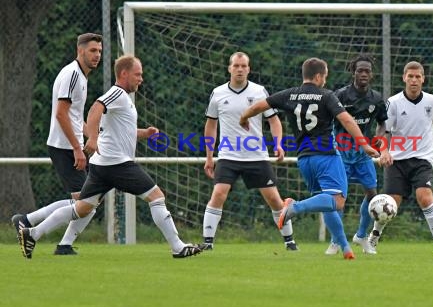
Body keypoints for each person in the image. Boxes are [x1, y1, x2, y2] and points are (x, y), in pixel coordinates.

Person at [18, 54, 202, 259]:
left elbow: (120, 131)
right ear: (124, 74)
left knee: (82, 208)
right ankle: (178, 247)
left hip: (101, 165)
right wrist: (93, 138)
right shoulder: (117, 93)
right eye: (138, 74)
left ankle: (32, 233)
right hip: (117, 164)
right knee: (156, 197)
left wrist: (145, 134)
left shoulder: (124, 100)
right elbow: (95, 108)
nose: (141, 79)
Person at [239, 57, 380, 260]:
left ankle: (345, 248)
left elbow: (258, 107)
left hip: (304, 160)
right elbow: (346, 119)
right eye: (325, 76)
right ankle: (294, 207)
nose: (325, 80)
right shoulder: (326, 96)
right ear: (318, 76)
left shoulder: (289, 95)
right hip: (326, 156)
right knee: (337, 200)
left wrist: (243, 118)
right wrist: (364, 144)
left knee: (324, 202)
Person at [12, 33, 103, 255]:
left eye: (99, 51)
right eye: (93, 51)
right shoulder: (72, 75)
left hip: (69, 146)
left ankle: (29, 221)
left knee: (89, 201)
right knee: (86, 204)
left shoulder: (80, 76)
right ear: (80, 50)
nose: (97, 55)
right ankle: (35, 233)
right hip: (64, 148)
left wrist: (92, 137)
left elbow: (73, 116)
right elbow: (61, 115)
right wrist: (76, 148)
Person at [202, 52, 298, 251]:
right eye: (236, 65)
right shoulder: (218, 93)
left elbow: (274, 120)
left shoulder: (259, 91)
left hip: (256, 156)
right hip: (228, 155)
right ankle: (207, 243)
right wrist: (209, 157)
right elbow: (211, 125)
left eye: (243, 66)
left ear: (249, 69)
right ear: (229, 68)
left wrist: (278, 144)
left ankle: (290, 241)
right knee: (219, 194)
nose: (239, 69)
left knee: (274, 199)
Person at [368, 61, 433, 255]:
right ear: (404, 78)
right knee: (390, 203)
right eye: (410, 76)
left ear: (423, 79)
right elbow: (382, 130)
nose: (414, 80)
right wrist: (384, 151)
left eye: (418, 77)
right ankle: (373, 238)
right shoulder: (394, 102)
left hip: (422, 159)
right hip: (396, 161)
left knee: (425, 197)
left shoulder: (432, 101)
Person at [325, 54, 389, 255]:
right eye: (360, 70)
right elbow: (327, 121)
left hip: (363, 156)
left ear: (372, 74)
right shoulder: (341, 96)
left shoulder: (377, 99)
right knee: (339, 198)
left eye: (367, 71)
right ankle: (336, 240)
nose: (363, 73)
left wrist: (379, 140)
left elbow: (382, 123)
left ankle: (361, 236)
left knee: (372, 196)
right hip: (341, 156)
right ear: (353, 72)